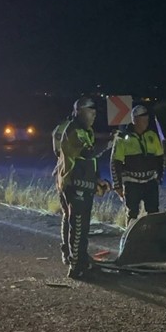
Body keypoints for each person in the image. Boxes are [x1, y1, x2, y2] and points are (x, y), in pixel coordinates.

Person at [55, 97, 109, 278]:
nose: (94, 114)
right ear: (79, 111)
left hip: (85, 185)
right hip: (74, 184)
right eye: (90, 110)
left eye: (95, 111)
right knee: (77, 226)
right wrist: (109, 142)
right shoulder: (73, 131)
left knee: (83, 227)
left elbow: (91, 161)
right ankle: (76, 266)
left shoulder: (87, 131)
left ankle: (82, 260)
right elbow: (87, 153)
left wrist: (98, 179)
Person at [110, 104, 165, 227]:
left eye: (147, 119)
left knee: (154, 213)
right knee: (132, 214)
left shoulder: (152, 135)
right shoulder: (122, 138)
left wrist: (159, 176)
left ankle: (153, 235)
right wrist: (117, 185)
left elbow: (160, 158)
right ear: (134, 120)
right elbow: (115, 163)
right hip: (132, 183)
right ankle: (129, 236)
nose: (146, 121)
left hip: (150, 182)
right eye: (142, 119)